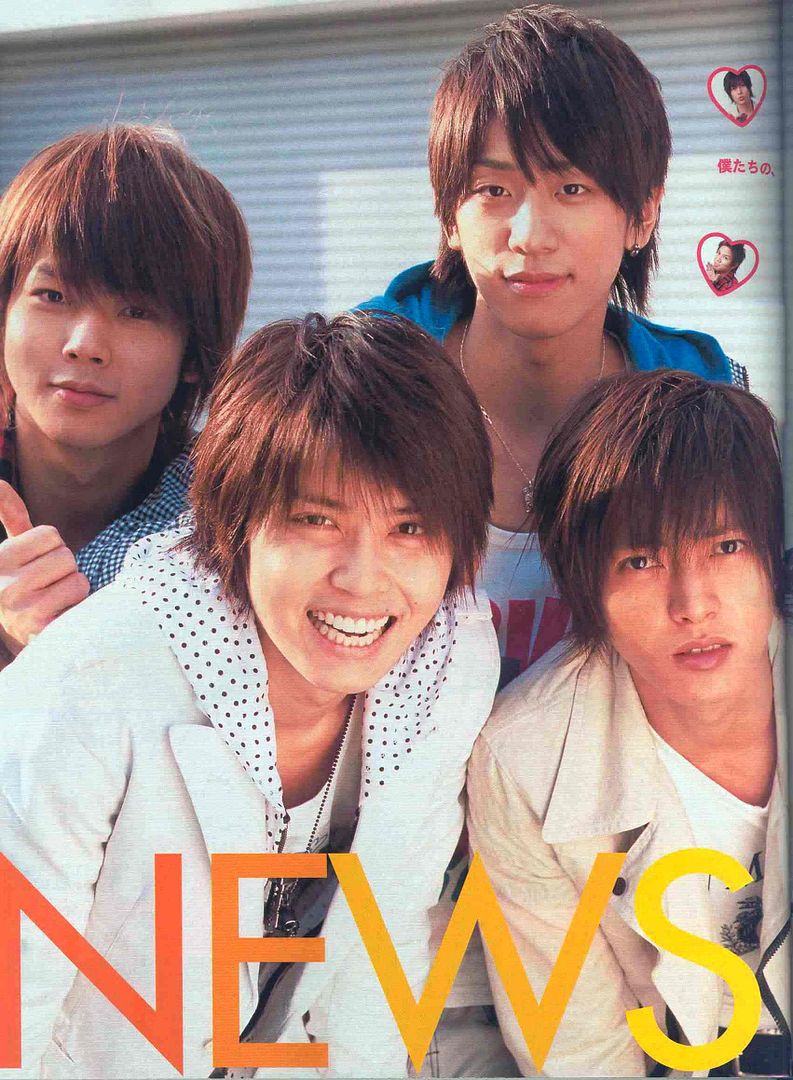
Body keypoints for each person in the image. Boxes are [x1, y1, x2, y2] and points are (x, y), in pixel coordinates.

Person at [0, 310, 500, 1079]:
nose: (362, 580)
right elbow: (13, 1002)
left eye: (409, 529)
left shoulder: (446, 657)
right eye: (316, 521)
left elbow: (380, 950)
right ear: (235, 525)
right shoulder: (90, 681)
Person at [358, 3, 748, 686]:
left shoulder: (711, 399)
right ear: (449, 214)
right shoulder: (354, 392)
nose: (530, 235)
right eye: (493, 189)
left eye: (572, 188)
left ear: (642, 215)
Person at [468, 371, 790, 1077]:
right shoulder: (523, 758)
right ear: (585, 582)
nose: (691, 604)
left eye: (726, 547)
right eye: (640, 561)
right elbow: (574, 1045)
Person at [0, 123, 252, 668]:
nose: (84, 345)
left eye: (137, 311)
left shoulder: (234, 527)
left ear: (194, 353)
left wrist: (54, 660)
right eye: (53, 295)